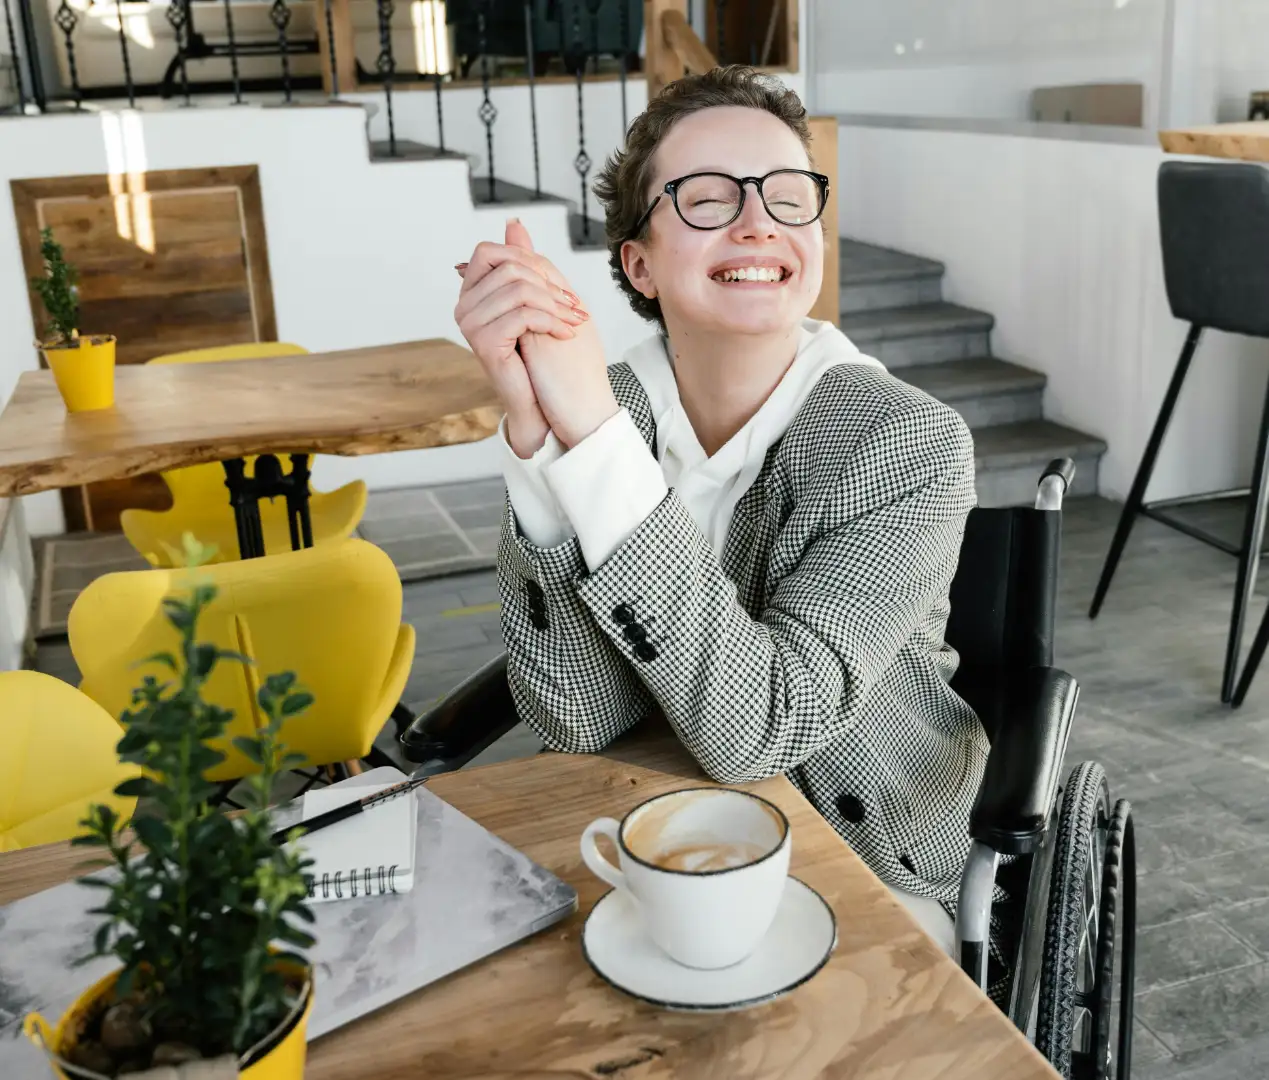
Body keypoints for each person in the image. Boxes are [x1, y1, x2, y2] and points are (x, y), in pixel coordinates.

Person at [454, 66, 994, 982]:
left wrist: (589, 439)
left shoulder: (907, 441)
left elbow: (761, 732)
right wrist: (543, 448)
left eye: (790, 198)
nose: (759, 224)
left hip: (858, 847)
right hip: (640, 830)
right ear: (637, 262)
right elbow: (578, 719)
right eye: (706, 199)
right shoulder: (602, 407)